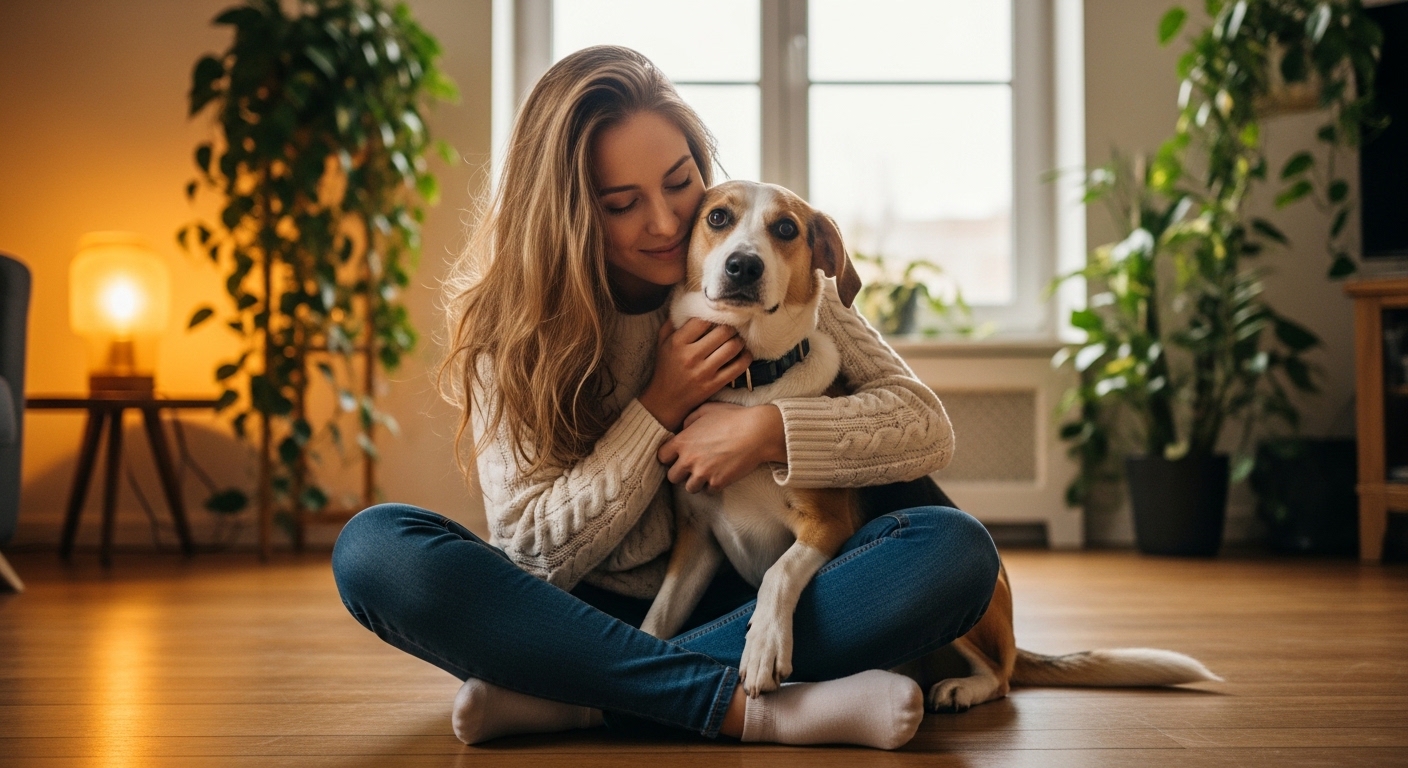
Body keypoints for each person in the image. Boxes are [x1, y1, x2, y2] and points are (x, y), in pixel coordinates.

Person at [331, 45, 1000, 750]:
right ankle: (753, 708)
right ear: (566, 213)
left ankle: (585, 700)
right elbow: (531, 554)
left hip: (751, 601)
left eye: (680, 183)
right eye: (622, 204)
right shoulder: (514, 329)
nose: (665, 223)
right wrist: (657, 407)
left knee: (956, 551)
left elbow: (924, 427)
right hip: (581, 612)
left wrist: (771, 429)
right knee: (375, 550)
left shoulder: (765, 275)